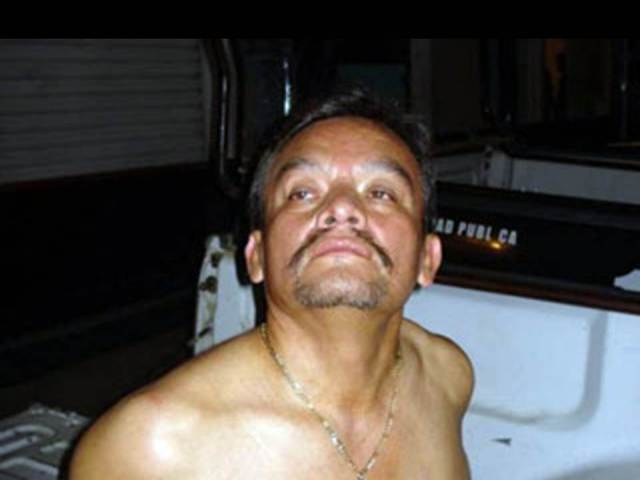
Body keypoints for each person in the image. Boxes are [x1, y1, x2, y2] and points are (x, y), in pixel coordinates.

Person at [70, 89, 474, 479]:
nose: (341, 207)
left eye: (382, 193)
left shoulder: (447, 377)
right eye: (302, 192)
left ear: (427, 259)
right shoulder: (150, 446)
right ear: (256, 256)